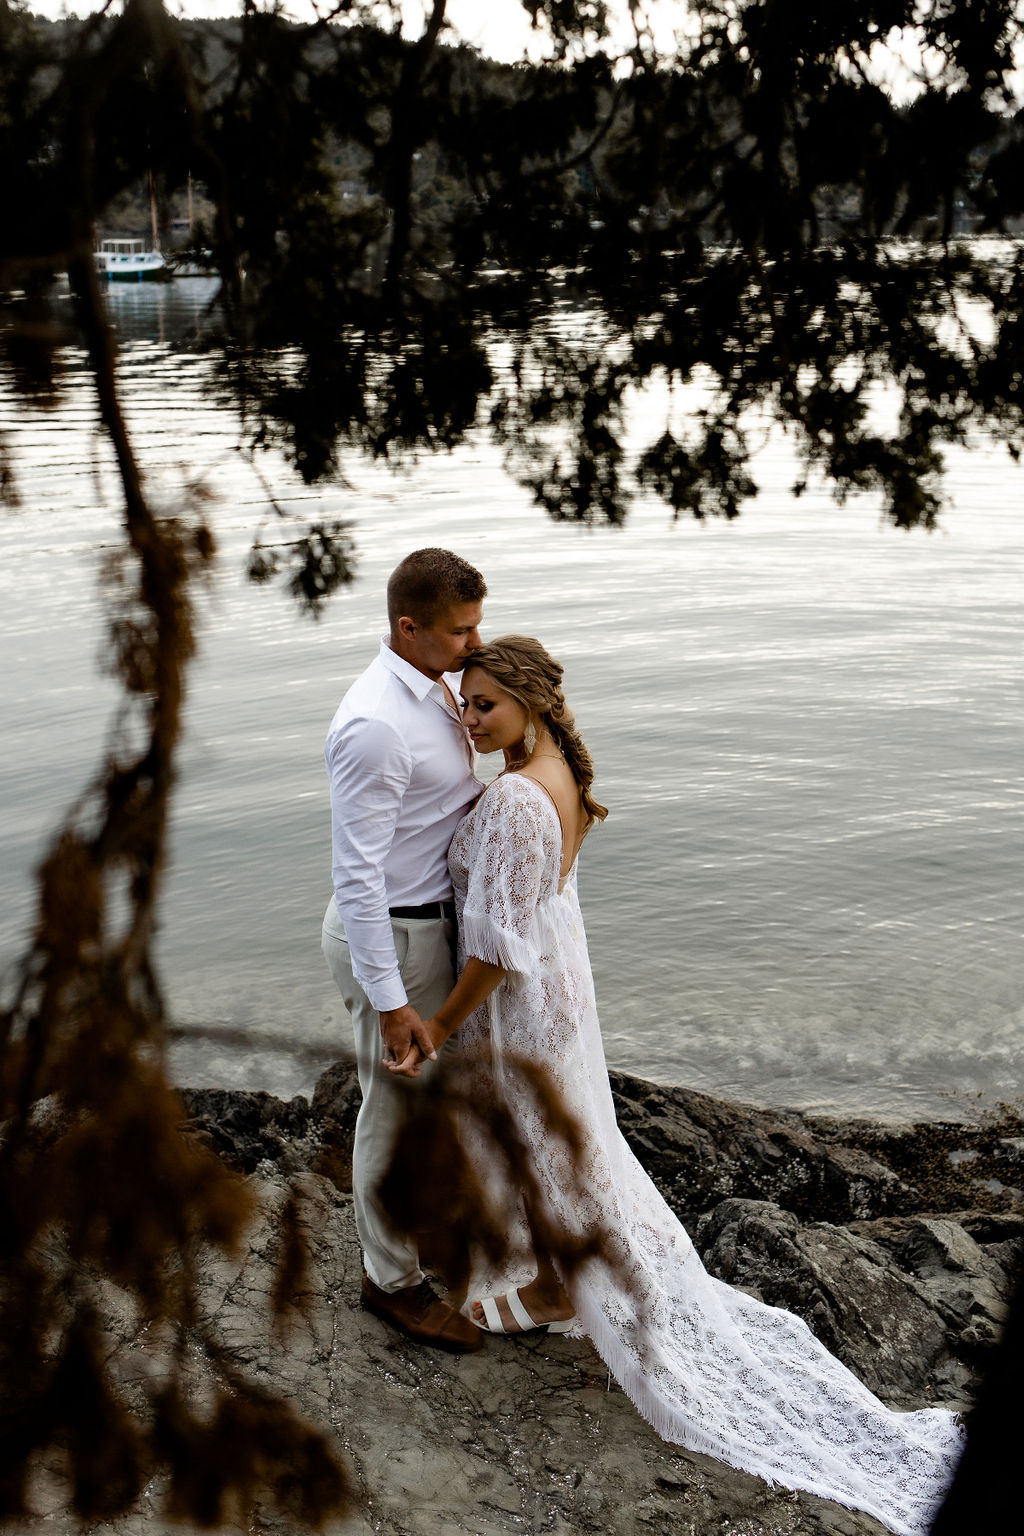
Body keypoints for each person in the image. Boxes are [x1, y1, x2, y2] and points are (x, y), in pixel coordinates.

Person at [390, 635, 964, 1536]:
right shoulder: (558, 776)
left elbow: (498, 947)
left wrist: (440, 1023)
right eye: (463, 703)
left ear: (529, 705)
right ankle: (550, 1273)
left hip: (528, 1004)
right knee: (567, 1144)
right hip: (564, 991)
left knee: (545, 1146)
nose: (468, 719)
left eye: (485, 706)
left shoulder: (511, 799)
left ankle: (550, 1286)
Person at [321, 547, 486, 1353]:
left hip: (431, 925)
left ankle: (422, 1239)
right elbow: (355, 876)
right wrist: (390, 1003)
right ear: (408, 627)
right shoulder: (377, 726)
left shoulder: (440, 688)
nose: (474, 642)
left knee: (430, 1108)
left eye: (477, 624)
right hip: (392, 933)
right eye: (460, 631)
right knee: (391, 1108)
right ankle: (390, 1284)